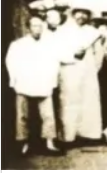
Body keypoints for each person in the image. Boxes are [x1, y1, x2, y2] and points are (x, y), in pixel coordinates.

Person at [6, 16, 63, 156]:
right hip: (24, 82)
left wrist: (52, 81)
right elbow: (11, 62)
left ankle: (49, 142)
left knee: (48, 115)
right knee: (22, 115)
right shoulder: (18, 44)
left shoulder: (49, 45)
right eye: (34, 26)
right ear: (28, 27)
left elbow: (54, 63)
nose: (37, 29)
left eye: (40, 26)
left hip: (43, 82)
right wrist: (14, 80)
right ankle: (23, 143)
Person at [55, 6, 104, 147]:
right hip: (69, 70)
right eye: (79, 13)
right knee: (69, 102)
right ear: (73, 14)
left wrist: (94, 69)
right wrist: (72, 56)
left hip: (88, 71)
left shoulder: (93, 32)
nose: (81, 16)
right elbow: (57, 51)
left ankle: (89, 135)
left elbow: (99, 53)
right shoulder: (62, 31)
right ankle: (69, 136)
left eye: (85, 13)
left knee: (89, 101)